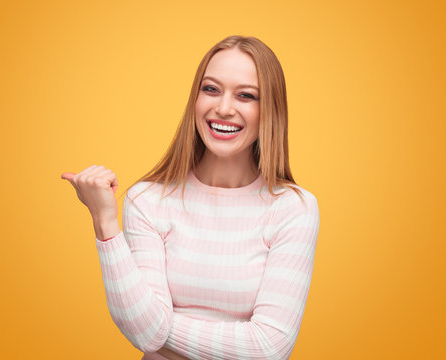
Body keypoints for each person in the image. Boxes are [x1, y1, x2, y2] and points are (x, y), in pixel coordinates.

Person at [61, 35, 320, 360]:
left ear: (270, 109)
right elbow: (142, 332)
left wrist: (161, 327)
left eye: (246, 95)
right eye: (210, 89)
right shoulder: (147, 200)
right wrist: (105, 223)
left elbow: (267, 348)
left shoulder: (293, 209)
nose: (223, 108)